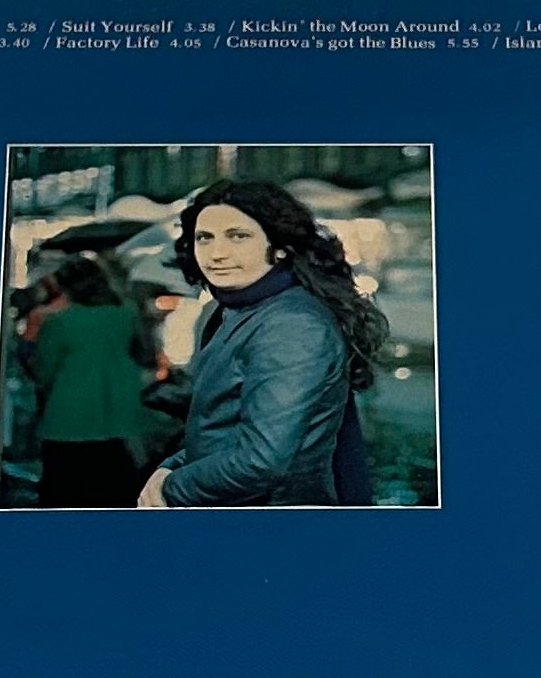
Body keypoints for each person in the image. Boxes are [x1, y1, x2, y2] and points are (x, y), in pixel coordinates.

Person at [138, 179, 382, 507]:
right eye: (204, 238)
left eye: (238, 236)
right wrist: (170, 467)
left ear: (279, 246)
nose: (217, 254)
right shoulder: (237, 308)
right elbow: (223, 428)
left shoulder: (291, 323)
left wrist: (171, 488)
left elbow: (261, 461)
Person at [17, 257, 154, 505]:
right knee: (116, 493)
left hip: (68, 418)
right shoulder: (126, 313)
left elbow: (43, 370)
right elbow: (144, 353)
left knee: (65, 495)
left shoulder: (60, 322)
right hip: (119, 414)